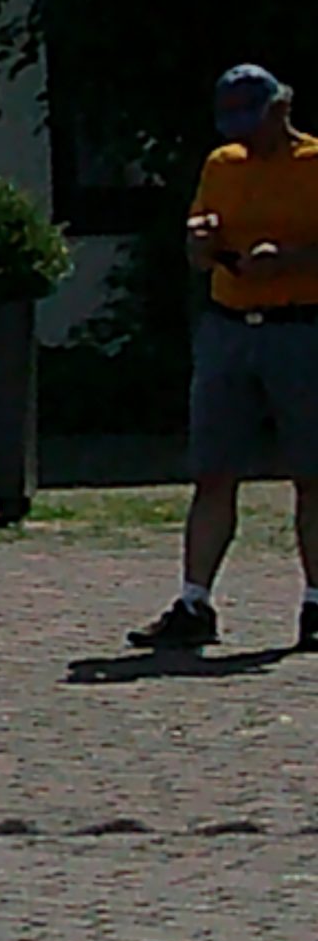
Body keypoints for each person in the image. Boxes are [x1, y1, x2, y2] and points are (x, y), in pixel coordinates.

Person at [136, 64, 318, 656]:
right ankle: (194, 603)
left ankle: (316, 603)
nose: (245, 135)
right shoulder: (222, 164)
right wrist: (201, 243)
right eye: (233, 122)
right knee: (213, 471)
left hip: (302, 327)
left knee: (312, 473)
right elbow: (197, 244)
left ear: (281, 109)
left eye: (253, 120)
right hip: (229, 326)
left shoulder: (314, 163)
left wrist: (290, 260)